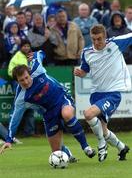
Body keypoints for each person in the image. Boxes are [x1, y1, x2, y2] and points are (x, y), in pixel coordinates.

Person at [0, 51, 96, 162]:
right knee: (56, 152)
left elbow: (41, 53)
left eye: (27, 77)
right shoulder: (21, 97)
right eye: (21, 80)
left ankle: (86, 147)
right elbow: (15, 118)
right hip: (48, 114)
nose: (26, 82)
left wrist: (36, 54)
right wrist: (8, 140)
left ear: (29, 73)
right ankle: (67, 154)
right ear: (17, 81)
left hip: (61, 98)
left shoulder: (37, 69)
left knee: (67, 114)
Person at [74, 24, 131, 162]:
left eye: (99, 39)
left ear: (105, 37)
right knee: (104, 131)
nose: (96, 42)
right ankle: (122, 148)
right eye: (93, 39)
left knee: (88, 114)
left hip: (113, 93)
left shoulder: (115, 44)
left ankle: (101, 144)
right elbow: (84, 71)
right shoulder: (86, 52)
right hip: (96, 94)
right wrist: (80, 73)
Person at [8, 39, 35, 137]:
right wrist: (19, 79)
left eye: (28, 46)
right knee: (17, 108)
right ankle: (11, 133)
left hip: (31, 83)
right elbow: (10, 71)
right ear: (21, 47)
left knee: (31, 107)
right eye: (24, 46)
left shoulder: (30, 56)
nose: (26, 48)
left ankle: (29, 132)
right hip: (19, 84)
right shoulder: (17, 57)